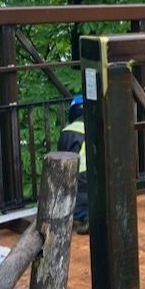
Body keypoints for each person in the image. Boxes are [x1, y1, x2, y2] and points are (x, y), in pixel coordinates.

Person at [57, 95, 89, 234]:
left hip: (78, 183)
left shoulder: (66, 132)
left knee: (65, 207)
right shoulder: (97, 127)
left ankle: (86, 216)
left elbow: (61, 163)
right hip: (97, 182)